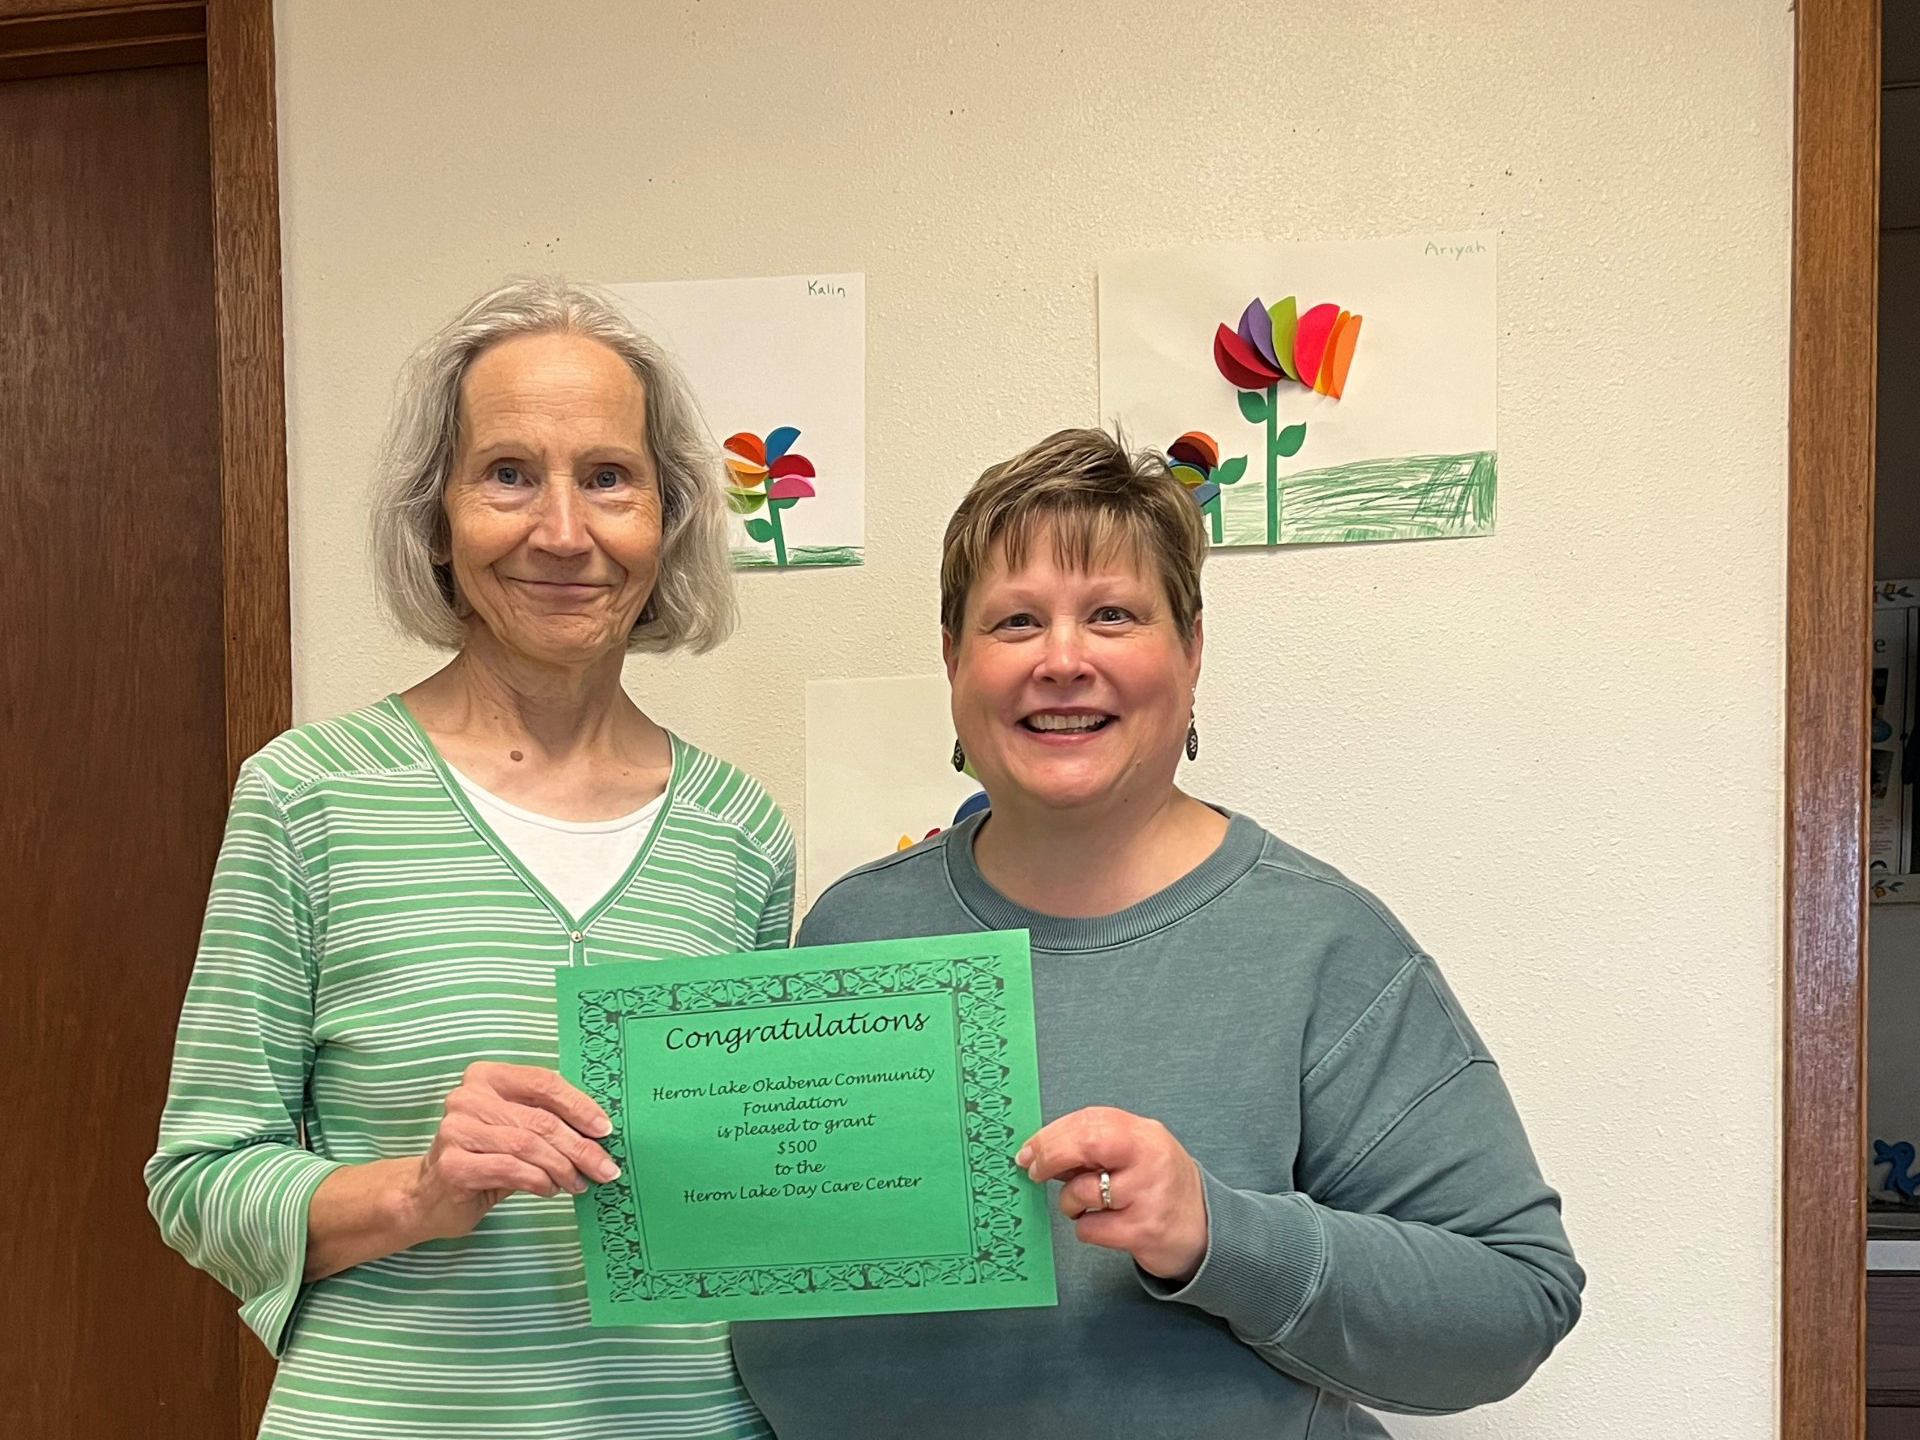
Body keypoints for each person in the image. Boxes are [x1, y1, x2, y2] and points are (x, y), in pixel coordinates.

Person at [731, 428, 1583, 1437]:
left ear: (1189, 652)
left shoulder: (1320, 945)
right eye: (1013, 622)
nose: (1061, 660)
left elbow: (1513, 1302)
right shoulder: (856, 933)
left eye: (1112, 615)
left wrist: (1215, 1232)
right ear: (954, 662)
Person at [146, 278, 790, 1439]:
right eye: (507, 475)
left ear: (668, 517)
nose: (561, 531)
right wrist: (419, 1190)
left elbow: (744, 1193)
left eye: (608, 477)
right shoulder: (308, 797)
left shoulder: (739, 832)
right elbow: (198, 1181)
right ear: (436, 516)